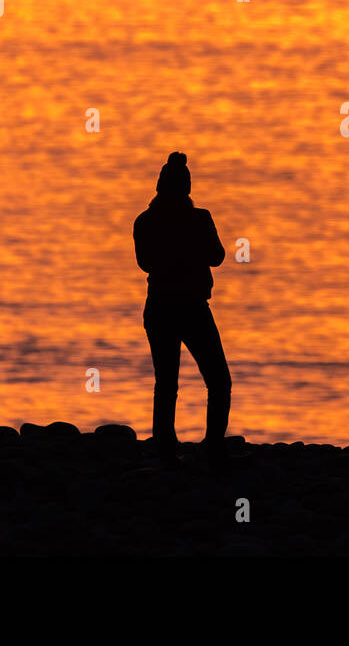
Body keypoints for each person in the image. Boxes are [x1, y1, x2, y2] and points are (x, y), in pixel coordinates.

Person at [133, 151, 230, 466]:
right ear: (186, 186)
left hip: (159, 305)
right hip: (191, 306)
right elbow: (217, 256)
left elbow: (145, 263)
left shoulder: (145, 221)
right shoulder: (200, 219)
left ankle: (165, 448)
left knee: (166, 383)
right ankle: (212, 448)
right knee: (218, 380)